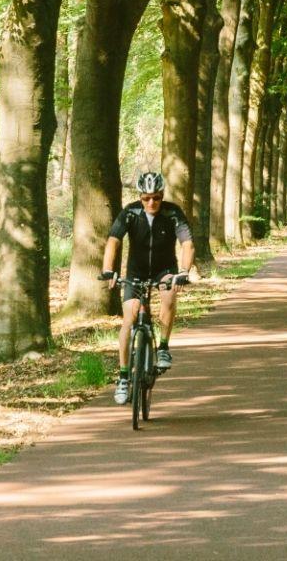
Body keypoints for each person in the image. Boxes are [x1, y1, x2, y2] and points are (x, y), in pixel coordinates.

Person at [101, 170, 195, 406]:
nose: (151, 202)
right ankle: (123, 377)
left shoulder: (173, 213)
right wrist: (109, 270)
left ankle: (163, 347)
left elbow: (187, 244)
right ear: (140, 197)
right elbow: (113, 240)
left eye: (156, 197)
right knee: (128, 319)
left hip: (165, 269)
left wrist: (184, 271)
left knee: (170, 294)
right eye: (146, 198)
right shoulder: (130, 212)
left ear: (162, 195)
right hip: (136, 272)